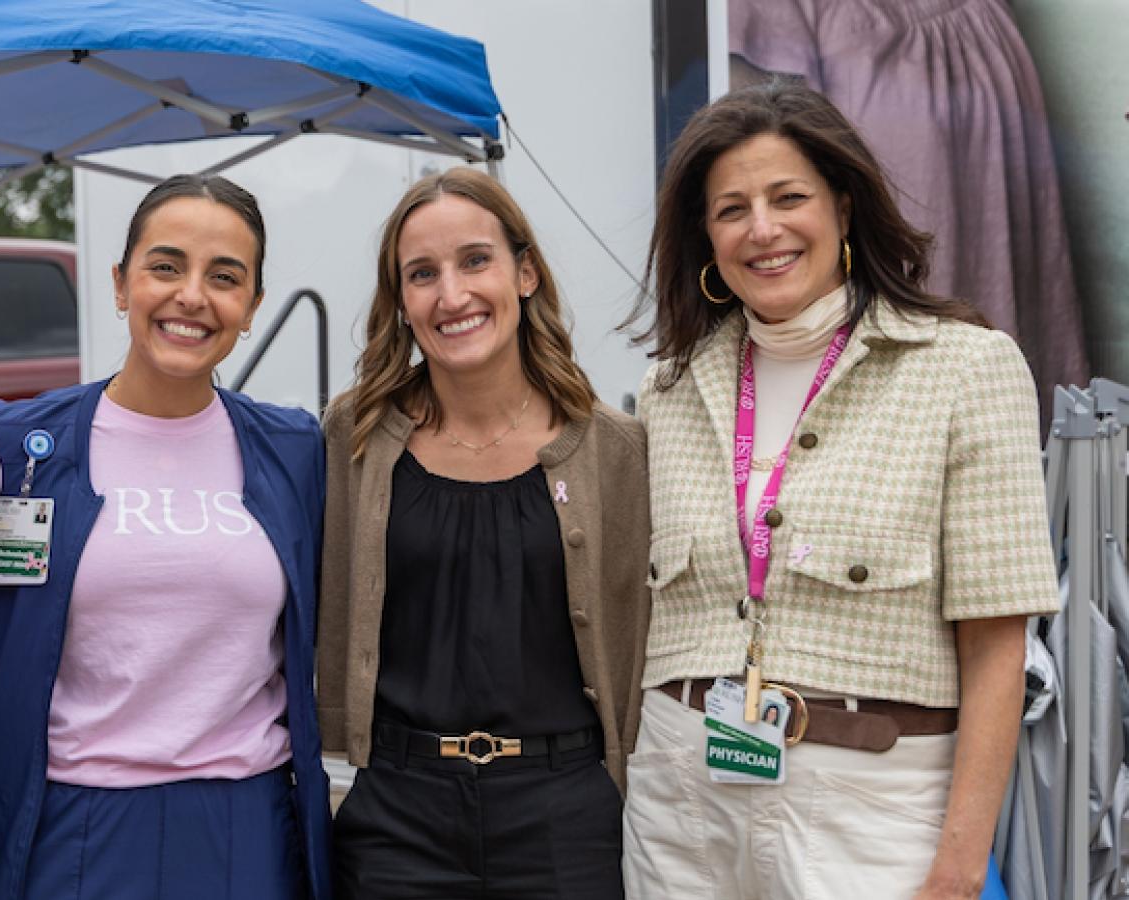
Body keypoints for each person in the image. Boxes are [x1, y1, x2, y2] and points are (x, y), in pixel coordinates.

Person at [621, 79, 1057, 899]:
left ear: (845, 208)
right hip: (680, 806)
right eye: (731, 210)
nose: (763, 229)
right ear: (705, 237)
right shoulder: (668, 391)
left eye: (789, 198)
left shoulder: (966, 368)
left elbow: (998, 644)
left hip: (873, 811)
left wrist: (960, 868)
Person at [0, 174, 332, 900]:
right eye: (166, 266)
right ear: (120, 283)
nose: (191, 296)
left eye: (224, 277)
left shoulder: (294, 450)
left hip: (243, 827)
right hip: (70, 825)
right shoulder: (18, 443)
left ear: (253, 307)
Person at [318, 166, 650, 898]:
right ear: (401, 301)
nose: (452, 295)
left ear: (525, 273)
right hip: (397, 820)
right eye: (422, 274)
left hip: (567, 819)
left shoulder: (616, 450)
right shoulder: (354, 438)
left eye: (475, 261)